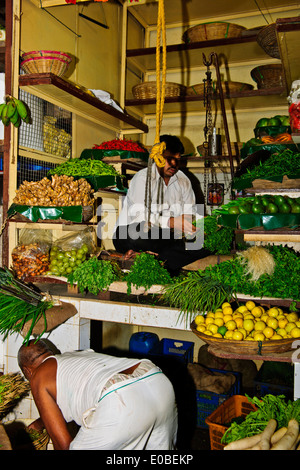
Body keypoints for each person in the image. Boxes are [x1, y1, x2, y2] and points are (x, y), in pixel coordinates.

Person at [17, 339, 178, 450]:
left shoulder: (37, 378)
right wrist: (39, 424)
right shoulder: (76, 355)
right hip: (157, 381)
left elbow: (63, 445)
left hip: (121, 399)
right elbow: (64, 404)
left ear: (27, 371)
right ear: (50, 352)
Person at [113, 134, 213, 275]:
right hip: (130, 235)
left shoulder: (183, 181)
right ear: (158, 157)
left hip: (164, 238)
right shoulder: (143, 177)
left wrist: (193, 225)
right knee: (139, 234)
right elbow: (140, 215)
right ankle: (166, 260)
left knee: (205, 244)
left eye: (177, 160)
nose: (174, 164)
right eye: (169, 159)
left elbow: (189, 212)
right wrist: (171, 222)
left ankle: (159, 261)